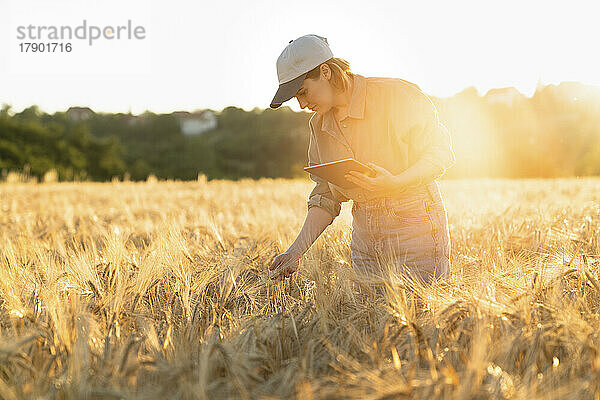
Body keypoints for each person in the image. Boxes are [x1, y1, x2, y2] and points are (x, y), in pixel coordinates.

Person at [267, 34, 456, 286]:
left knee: (422, 317)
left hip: (413, 224)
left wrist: (397, 182)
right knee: (370, 322)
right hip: (364, 234)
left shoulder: (396, 94)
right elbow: (325, 196)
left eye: (303, 92)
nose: (301, 104)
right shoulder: (319, 125)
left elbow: (440, 152)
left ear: (325, 71)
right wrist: (295, 252)